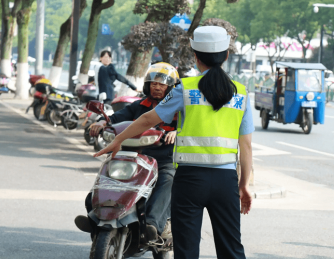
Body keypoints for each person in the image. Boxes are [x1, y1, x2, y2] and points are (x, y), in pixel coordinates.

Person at [93, 26, 254, 259]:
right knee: (231, 250)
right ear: (226, 56)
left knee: (186, 250)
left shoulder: (184, 89)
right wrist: (244, 185)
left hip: (189, 181)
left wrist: (119, 139)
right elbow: (246, 146)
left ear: (196, 57)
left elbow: (149, 118)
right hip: (225, 181)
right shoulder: (241, 93)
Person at [75, 62, 180, 243]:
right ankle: (95, 217)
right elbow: (117, 117)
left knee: (168, 180)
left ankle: (152, 225)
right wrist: (101, 122)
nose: (156, 87)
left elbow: (190, 126)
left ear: (171, 88)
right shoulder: (138, 106)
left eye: (161, 84)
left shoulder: (178, 108)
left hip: (164, 158)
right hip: (135, 156)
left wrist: (177, 132)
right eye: (153, 84)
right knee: (106, 176)